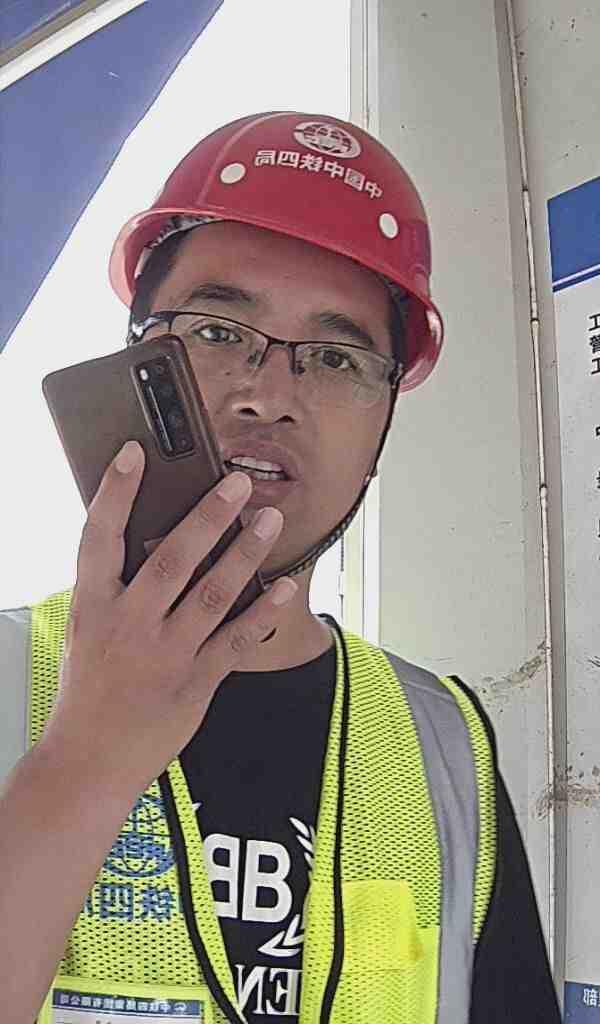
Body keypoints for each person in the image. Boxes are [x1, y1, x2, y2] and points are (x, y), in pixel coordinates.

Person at [0, 112, 561, 1024]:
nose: (268, 395)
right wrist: (84, 766)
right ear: (137, 354)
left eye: (336, 358)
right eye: (219, 331)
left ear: (385, 418)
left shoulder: (446, 744)